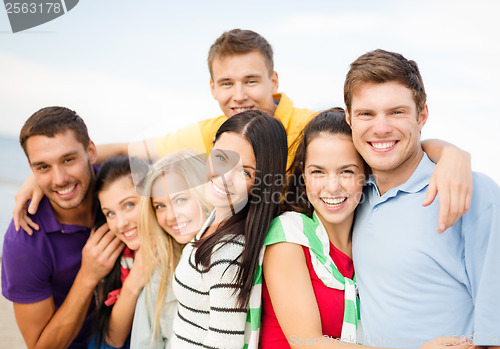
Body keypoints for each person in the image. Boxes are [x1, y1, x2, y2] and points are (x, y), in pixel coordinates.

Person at [14, 29, 473, 236]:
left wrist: (452, 154)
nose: (240, 95)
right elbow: (131, 149)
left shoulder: (312, 125)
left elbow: (380, 139)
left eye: (251, 81)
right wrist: (45, 174)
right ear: (212, 88)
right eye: (227, 83)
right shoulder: (216, 132)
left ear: (274, 82)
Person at [259, 109, 470, 349]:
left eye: (347, 171)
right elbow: (307, 343)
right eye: (318, 172)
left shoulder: (370, 234)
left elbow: (410, 149)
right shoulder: (289, 235)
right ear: (304, 175)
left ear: (366, 173)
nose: (332, 187)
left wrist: (453, 154)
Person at [344, 49, 500, 348]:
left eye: (397, 112)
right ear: (349, 118)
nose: (381, 128)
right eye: (367, 113)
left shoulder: (474, 192)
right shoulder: (351, 195)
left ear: (422, 116)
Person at [1, 107, 123, 349]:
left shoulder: (119, 188)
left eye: (68, 160)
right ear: (32, 169)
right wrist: (87, 278)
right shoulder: (24, 241)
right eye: (43, 167)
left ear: (91, 151)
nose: (59, 179)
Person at [170, 110, 288, 348]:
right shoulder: (215, 218)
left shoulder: (228, 253)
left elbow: (224, 344)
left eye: (246, 172)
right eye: (222, 158)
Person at [131, 149, 212, 348]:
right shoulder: (161, 272)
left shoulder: (238, 253)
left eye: (180, 200)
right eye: (160, 206)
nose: (170, 216)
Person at [89, 156, 146, 349]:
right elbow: (113, 339)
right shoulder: (119, 257)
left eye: (129, 205)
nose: (121, 224)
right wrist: (135, 279)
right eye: (110, 213)